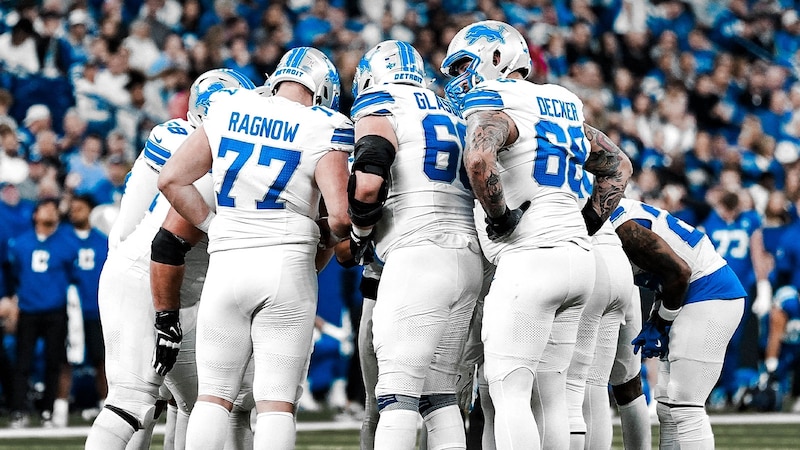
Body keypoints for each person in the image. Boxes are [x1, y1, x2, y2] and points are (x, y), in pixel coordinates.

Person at [440, 20, 631, 449]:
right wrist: (585, 223)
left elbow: (477, 161)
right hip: (579, 260)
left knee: (509, 393)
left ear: (496, 57)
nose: (458, 78)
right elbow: (618, 166)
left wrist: (500, 216)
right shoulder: (560, 100)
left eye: (464, 65)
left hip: (530, 258)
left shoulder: (497, 98)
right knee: (552, 395)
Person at [157, 47, 352, 450]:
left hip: (228, 262)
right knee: (276, 402)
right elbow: (338, 219)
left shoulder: (229, 106)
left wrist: (215, 227)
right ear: (322, 90)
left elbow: (171, 179)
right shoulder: (325, 124)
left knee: (212, 395)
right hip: (287, 265)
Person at [85, 68, 256, 450]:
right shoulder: (203, 159)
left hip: (178, 289)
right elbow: (159, 240)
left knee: (211, 403)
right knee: (132, 401)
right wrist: (164, 316)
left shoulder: (206, 150)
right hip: (148, 278)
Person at [347, 39, 483, 450]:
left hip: (417, 254)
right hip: (468, 258)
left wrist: (358, 235)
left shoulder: (381, 102)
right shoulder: (452, 109)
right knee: (439, 396)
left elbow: (369, 181)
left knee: (396, 395)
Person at [606, 198, 747, 449]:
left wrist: (661, 321)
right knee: (667, 406)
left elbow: (679, 272)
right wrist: (656, 318)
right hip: (691, 293)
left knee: (685, 405)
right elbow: (666, 273)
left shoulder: (621, 225)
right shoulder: (617, 212)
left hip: (709, 292)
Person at [7, 198, 79, 428]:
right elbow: (15, 275)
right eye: (45, 208)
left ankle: (48, 411)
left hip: (55, 311)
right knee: (23, 363)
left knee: (53, 363)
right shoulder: (21, 244)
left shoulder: (66, 243)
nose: (51, 211)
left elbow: (72, 274)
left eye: (53, 208)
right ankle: (18, 410)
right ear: (35, 214)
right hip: (28, 309)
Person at [700, 189, 771, 408]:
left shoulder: (749, 221)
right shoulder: (711, 221)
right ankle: (717, 387)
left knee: (732, 341)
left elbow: (757, 254)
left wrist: (762, 283)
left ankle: (729, 387)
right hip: (718, 288)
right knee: (714, 341)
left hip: (738, 288)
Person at [62, 194, 109, 426]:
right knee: (65, 360)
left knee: (103, 360)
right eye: (72, 209)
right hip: (69, 312)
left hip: (96, 309)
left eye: (79, 208)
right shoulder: (61, 239)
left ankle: (107, 406)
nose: (74, 212)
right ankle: (59, 409)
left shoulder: (103, 241)